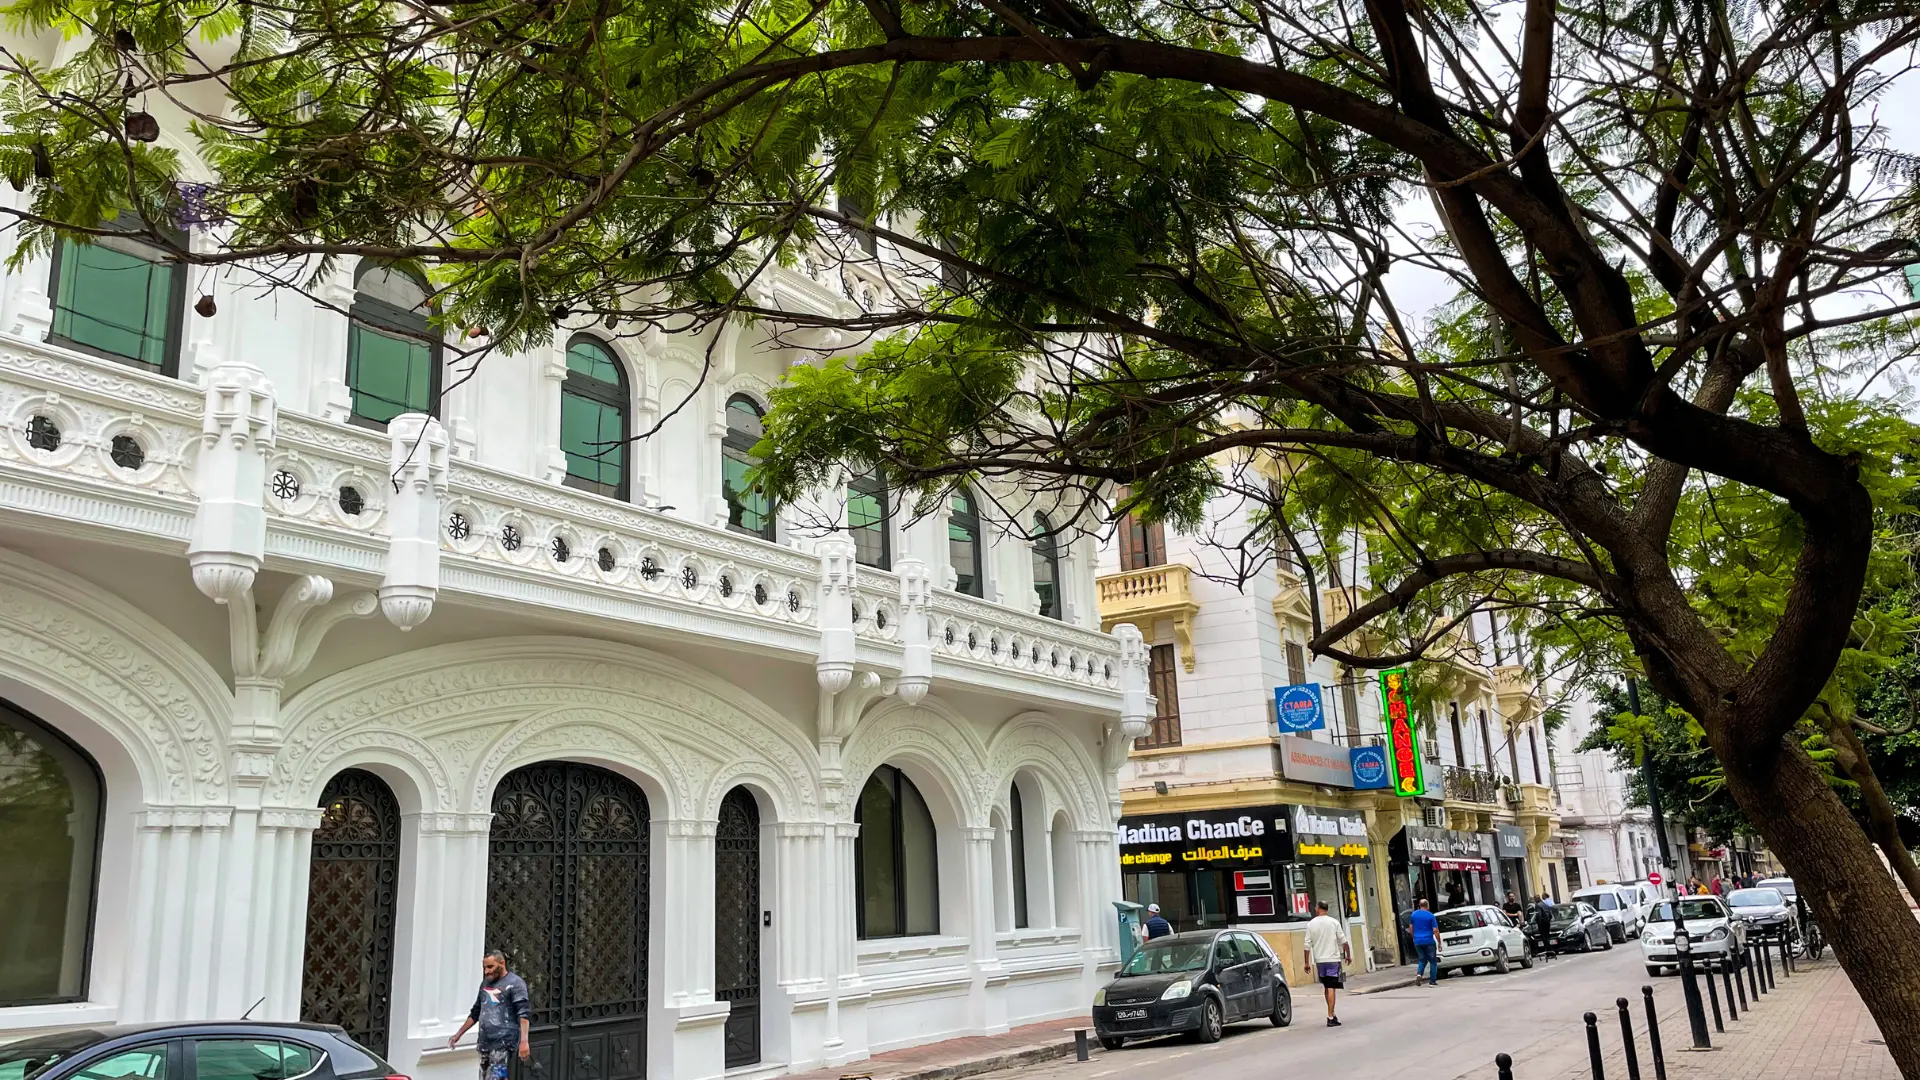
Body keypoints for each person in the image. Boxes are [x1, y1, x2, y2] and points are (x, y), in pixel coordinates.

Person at [449, 949, 532, 1080]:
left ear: (502, 963)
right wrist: (458, 1034)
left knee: (497, 1077)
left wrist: (524, 1042)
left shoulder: (515, 984)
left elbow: (524, 1014)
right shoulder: (485, 984)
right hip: (484, 1043)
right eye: (484, 967)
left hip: (503, 1044)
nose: (486, 971)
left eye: (490, 967)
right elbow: (476, 1012)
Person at [1303, 900, 1351, 1026]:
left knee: (1326, 986)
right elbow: (1344, 941)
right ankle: (1330, 1016)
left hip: (1320, 960)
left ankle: (1332, 1013)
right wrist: (1348, 955)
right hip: (1332, 959)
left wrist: (1306, 962)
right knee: (1331, 987)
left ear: (1318, 908)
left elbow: (1307, 945)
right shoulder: (1334, 922)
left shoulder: (1311, 924)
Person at [1409, 898, 1439, 986]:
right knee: (1433, 961)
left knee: (1422, 959)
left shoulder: (1414, 915)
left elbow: (1411, 927)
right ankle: (1432, 981)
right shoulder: (1430, 916)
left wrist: (1414, 937)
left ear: (1419, 905)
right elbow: (1435, 930)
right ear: (1427, 905)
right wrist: (1439, 942)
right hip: (1429, 941)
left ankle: (1419, 974)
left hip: (1418, 941)